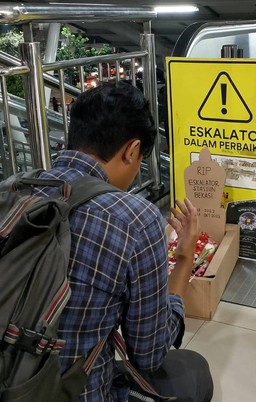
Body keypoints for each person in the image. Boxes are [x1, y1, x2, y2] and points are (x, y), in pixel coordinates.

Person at [37, 82, 213, 402]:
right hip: (75, 392)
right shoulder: (134, 218)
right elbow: (149, 353)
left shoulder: (11, 191)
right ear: (131, 151)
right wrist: (184, 257)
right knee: (194, 370)